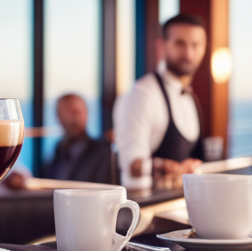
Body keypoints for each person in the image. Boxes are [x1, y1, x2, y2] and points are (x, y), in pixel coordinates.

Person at [113, 14, 206, 189]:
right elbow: (131, 166)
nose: (189, 53)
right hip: (148, 209)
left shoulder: (191, 98)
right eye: (180, 43)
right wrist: (170, 168)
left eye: (195, 45)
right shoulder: (142, 94)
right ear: (162, 46)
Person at [44, 94, 113, 183]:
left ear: (86, 114)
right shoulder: (58, 151)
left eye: (76, 112)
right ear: (58, 116)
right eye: (66, 113)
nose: (72, 119)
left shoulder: (104, 152)